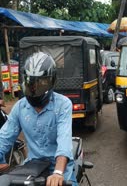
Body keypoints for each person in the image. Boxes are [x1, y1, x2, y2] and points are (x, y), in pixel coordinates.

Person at [0, 52, 77, 186]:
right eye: (30, 82)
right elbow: (4, 137)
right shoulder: (20, 107)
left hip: (60, 168)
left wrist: (58, 172)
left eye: (41, 82)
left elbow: (64, 140)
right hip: (33, 166)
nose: (34, 88)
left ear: (51, 81)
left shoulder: (63, 104)